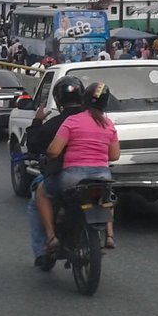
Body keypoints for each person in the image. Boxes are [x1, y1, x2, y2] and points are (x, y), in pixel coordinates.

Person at [38, 81, 120, 255]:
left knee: (41, 192)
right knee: (106, 197)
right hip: (102, 176)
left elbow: (54, 151)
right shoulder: (108, 124)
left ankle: (52, 237)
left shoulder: (72, 121)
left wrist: (48, 154)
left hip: (72, 178)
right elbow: (114, 156)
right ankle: (110, 236)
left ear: (84, 100)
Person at [24, 76, 88, 264]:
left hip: (66, 177)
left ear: (58, 100)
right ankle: (108, 235)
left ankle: (47, 244)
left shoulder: (58, 125)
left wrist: (37, 121)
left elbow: (34, 145)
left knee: (37, 197)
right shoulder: (98, 121)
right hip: (100, 174)